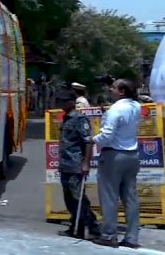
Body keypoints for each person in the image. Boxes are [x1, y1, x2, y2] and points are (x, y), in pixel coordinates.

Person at [91, 79, 142, 249]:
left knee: (109, 196)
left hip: (114, 155)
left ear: (121, 91)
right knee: (130, 197)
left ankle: (108, 235)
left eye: (112, 88)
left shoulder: (116, 109)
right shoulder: (136, 107)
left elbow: (107, 135)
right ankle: (132, 237)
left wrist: (92, 140)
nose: (109, 90)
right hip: (132, 155)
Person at [57, 85, 100, 239]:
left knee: (79, 199)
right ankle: (76, 227)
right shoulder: (66, 118)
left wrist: (86, 163)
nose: (59, 104)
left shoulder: (80, 119)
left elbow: (88, 142)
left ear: (70, 102)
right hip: (65, 164)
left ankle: (93, 227)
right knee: (70, 200)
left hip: (76, 165)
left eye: (62, 101)